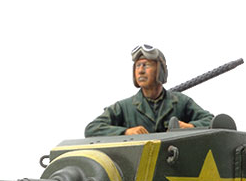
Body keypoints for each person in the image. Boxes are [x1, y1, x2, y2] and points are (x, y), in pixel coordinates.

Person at [85, 45, 214, 137]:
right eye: (138, 66)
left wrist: (190, 127)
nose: (141, 71)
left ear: (160, 70)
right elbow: (92, 129)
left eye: (146, 65)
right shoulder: (124, 107)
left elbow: (211, 120)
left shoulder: (181, 102)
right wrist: (126, 132)